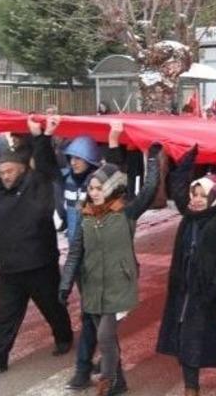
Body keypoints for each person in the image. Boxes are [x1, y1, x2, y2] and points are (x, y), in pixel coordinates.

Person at [0, 115, 74, 372]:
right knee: (6, 317)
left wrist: (40, 137)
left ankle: (64, 336)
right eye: (2, 172)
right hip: (10, 268)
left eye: (10, 171)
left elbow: (45, 167)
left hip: (39, 264)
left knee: (52, 307)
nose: (5, 176)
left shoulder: (36, 183)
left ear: (22, 170)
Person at [59, 140, 162, 395]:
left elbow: (149, 190)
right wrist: (65, 284)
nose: (93, 192)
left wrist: (152, 160)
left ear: (110, 187)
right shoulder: (85, 215)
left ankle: (106, 381)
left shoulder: (126, 212)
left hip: (118, 283)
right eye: (91, 188)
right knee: (107, 339)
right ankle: (120, 382)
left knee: (105, 336)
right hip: (92, 284)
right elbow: (75, 253)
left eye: (98, 187)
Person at [157, 145, 216, 396]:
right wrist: (188, 159)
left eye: (201, 195)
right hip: (185, 288)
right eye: (194, 194)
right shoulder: (190, 216)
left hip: (211, 292)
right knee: (186, 336)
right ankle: (191, 387)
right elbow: (176, 187)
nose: (195, 199)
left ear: (214, 196)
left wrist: (212, 289)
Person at [65, 124, 129, 392]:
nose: (74, 162)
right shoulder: (67, 179)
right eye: (71, 157)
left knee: (97, 323)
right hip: (82, 262)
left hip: (106, 267)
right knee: (94, 321)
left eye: (79, 158)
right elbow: (46, 167)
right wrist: (42, 136)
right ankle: (113, 376)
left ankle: (87, 371)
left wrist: (113, 142)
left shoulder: (101, 184)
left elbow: (113, 174)